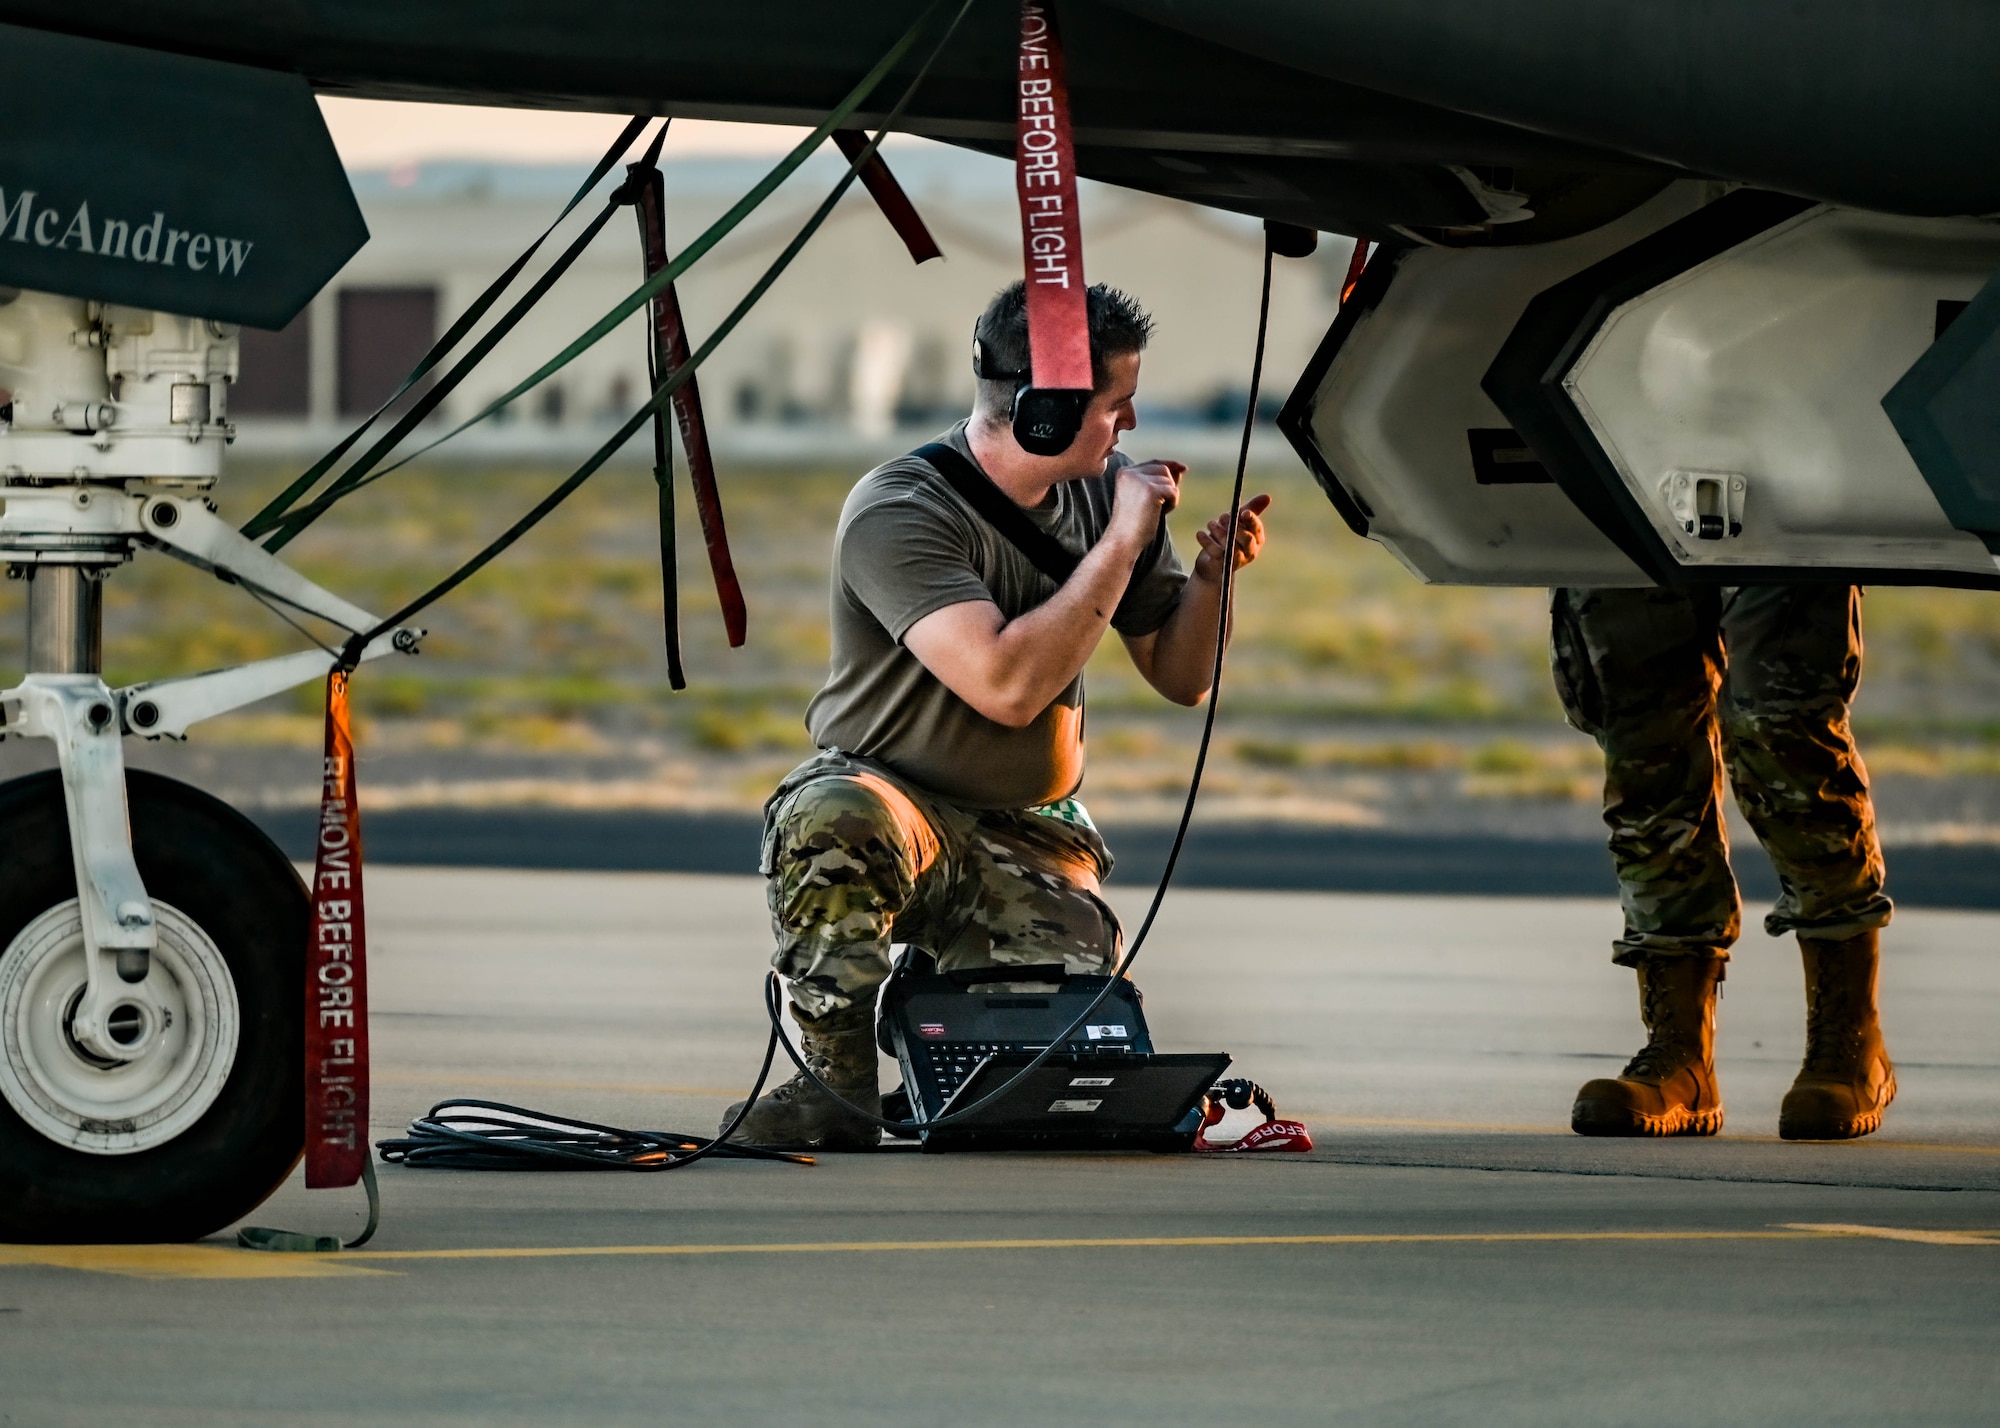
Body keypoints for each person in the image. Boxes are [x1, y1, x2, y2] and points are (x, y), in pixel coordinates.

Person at [722, 281, 1271, 1150]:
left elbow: (1181, 675)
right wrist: (1122, 544)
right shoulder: (902, 510)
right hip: (898, 807)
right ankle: (834, 1085)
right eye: (1114, 406)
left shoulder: (1102, 497)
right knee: (833, 816)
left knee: (1035, 1080)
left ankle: (935, 1043)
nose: (1128, 426)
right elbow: (1007, 686)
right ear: (1044, 413)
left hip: (1025, 827)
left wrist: (1209, 583)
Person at [1551, 585, 1896, 1140]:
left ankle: (1849, 1039)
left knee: (1779, 724)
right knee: (1644, 738)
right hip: (1624, 505)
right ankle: (1681, 1055)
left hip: (1783, 509)